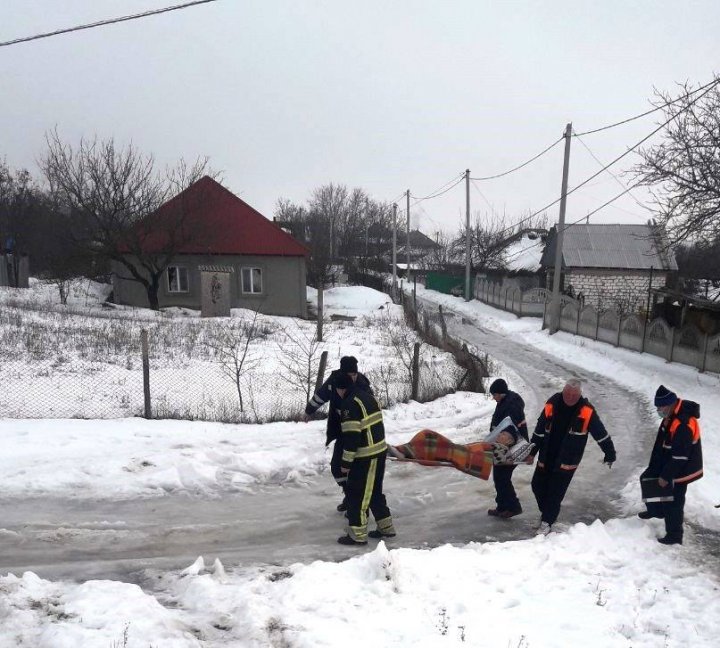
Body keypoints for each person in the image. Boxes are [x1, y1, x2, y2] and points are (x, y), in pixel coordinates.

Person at [529, 378, 616, 535]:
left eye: (574, 395)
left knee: (555, 492)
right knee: (537, 485)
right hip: (547, 454)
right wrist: (531, 452)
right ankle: (548, 515)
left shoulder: (586, 411)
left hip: (567, 461)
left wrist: (610, 453)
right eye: (567, 393)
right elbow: (540, 429)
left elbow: (600, 433)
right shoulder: (552, 403)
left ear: (580, 394)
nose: (569, 397)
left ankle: (547, 521)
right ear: (563, 391)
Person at [303, 356, 372, 512]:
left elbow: (372, 409)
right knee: (336, 467)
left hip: (360, 435)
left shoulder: (362, 385)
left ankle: (358, 504)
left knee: (353, 470)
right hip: (342, 431)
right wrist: (309, 410)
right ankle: (350, 497)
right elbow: (320, 395)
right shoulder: (334, 381)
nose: (352, 378)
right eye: (349, 374)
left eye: (354, 374)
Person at [335, 372, 395, 545]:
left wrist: (345, 463)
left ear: (340, 389)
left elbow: (352, 438)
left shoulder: (349, 405)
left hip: (365, 457)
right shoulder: (367, 397)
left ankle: (357, 535)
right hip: (379, 452)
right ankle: (386, 527)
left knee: (357, 495)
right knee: (375, 492)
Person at [638, 385, 703, 546]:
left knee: (674, 501)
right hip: (668, 460)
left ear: (670, 404)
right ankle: (656, 511)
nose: (659, 410)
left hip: (682, 468)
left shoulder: (682, 423)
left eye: (660, 407)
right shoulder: (671, 415)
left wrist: (666, 476)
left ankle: (674, 535)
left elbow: (680, 457)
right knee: (647, 478)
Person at [487, 379, 529, 519]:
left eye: (494, 394)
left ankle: (514, 507)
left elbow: (511, 428)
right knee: (498, 476)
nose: (493, 397)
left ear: (500, 393)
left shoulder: (512, 404)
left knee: (503, 477)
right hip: (501, 447)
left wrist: (500, 440)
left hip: (514, 447)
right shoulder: (503, 402)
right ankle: (502, 507)